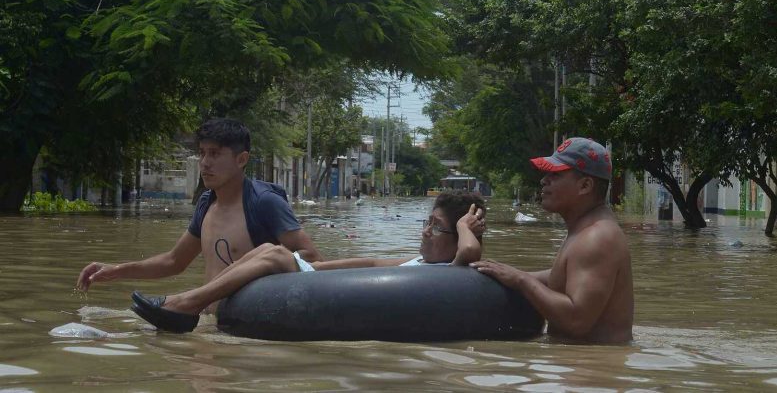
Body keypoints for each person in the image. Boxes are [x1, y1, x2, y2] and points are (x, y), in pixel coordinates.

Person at [130, 191, 486, 333]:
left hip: (361, 306)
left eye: (437, 227)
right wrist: (315, 270)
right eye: (427, 222)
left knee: (275, 253)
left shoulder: (454, 272)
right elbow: (372, 262)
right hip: (327, 288)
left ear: (459, 236)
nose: (425, 232)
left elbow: (470, 254)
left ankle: (189, 304)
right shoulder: (416, 264)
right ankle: (194, 302)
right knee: (273, 251)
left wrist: (463, 227)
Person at [76, 118, 322, 303]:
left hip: (249, 327)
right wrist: (116, 271)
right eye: (202, 153)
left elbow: (311, 257)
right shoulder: (206, 204)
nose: (205, 162)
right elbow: (174, 261)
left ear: (242, 159)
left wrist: (261, 266)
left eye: (215, 154)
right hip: (211, 323)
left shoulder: (264, 202)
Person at [471, 137, 633, 344]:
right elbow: (564, 276)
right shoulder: (587, 231)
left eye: (555, 174)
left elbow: (576, 321)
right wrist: (505, 274)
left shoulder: (596, 237)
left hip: (592, 370)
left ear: (585, 185)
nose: (543, 180)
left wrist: (521, 280)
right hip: (581, 365)